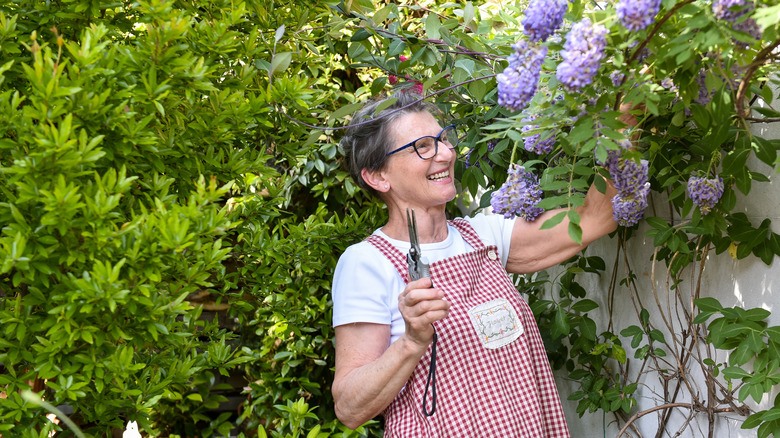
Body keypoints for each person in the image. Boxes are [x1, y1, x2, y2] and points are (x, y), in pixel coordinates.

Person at [331, 92, 624, 437]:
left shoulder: (486, 235)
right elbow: (350, 408)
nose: (445, 154)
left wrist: (623, 121)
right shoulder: (366, 263)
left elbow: (596, 218)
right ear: (378, 177)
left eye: (443, 139)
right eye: (423, 147)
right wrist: (411, 342)